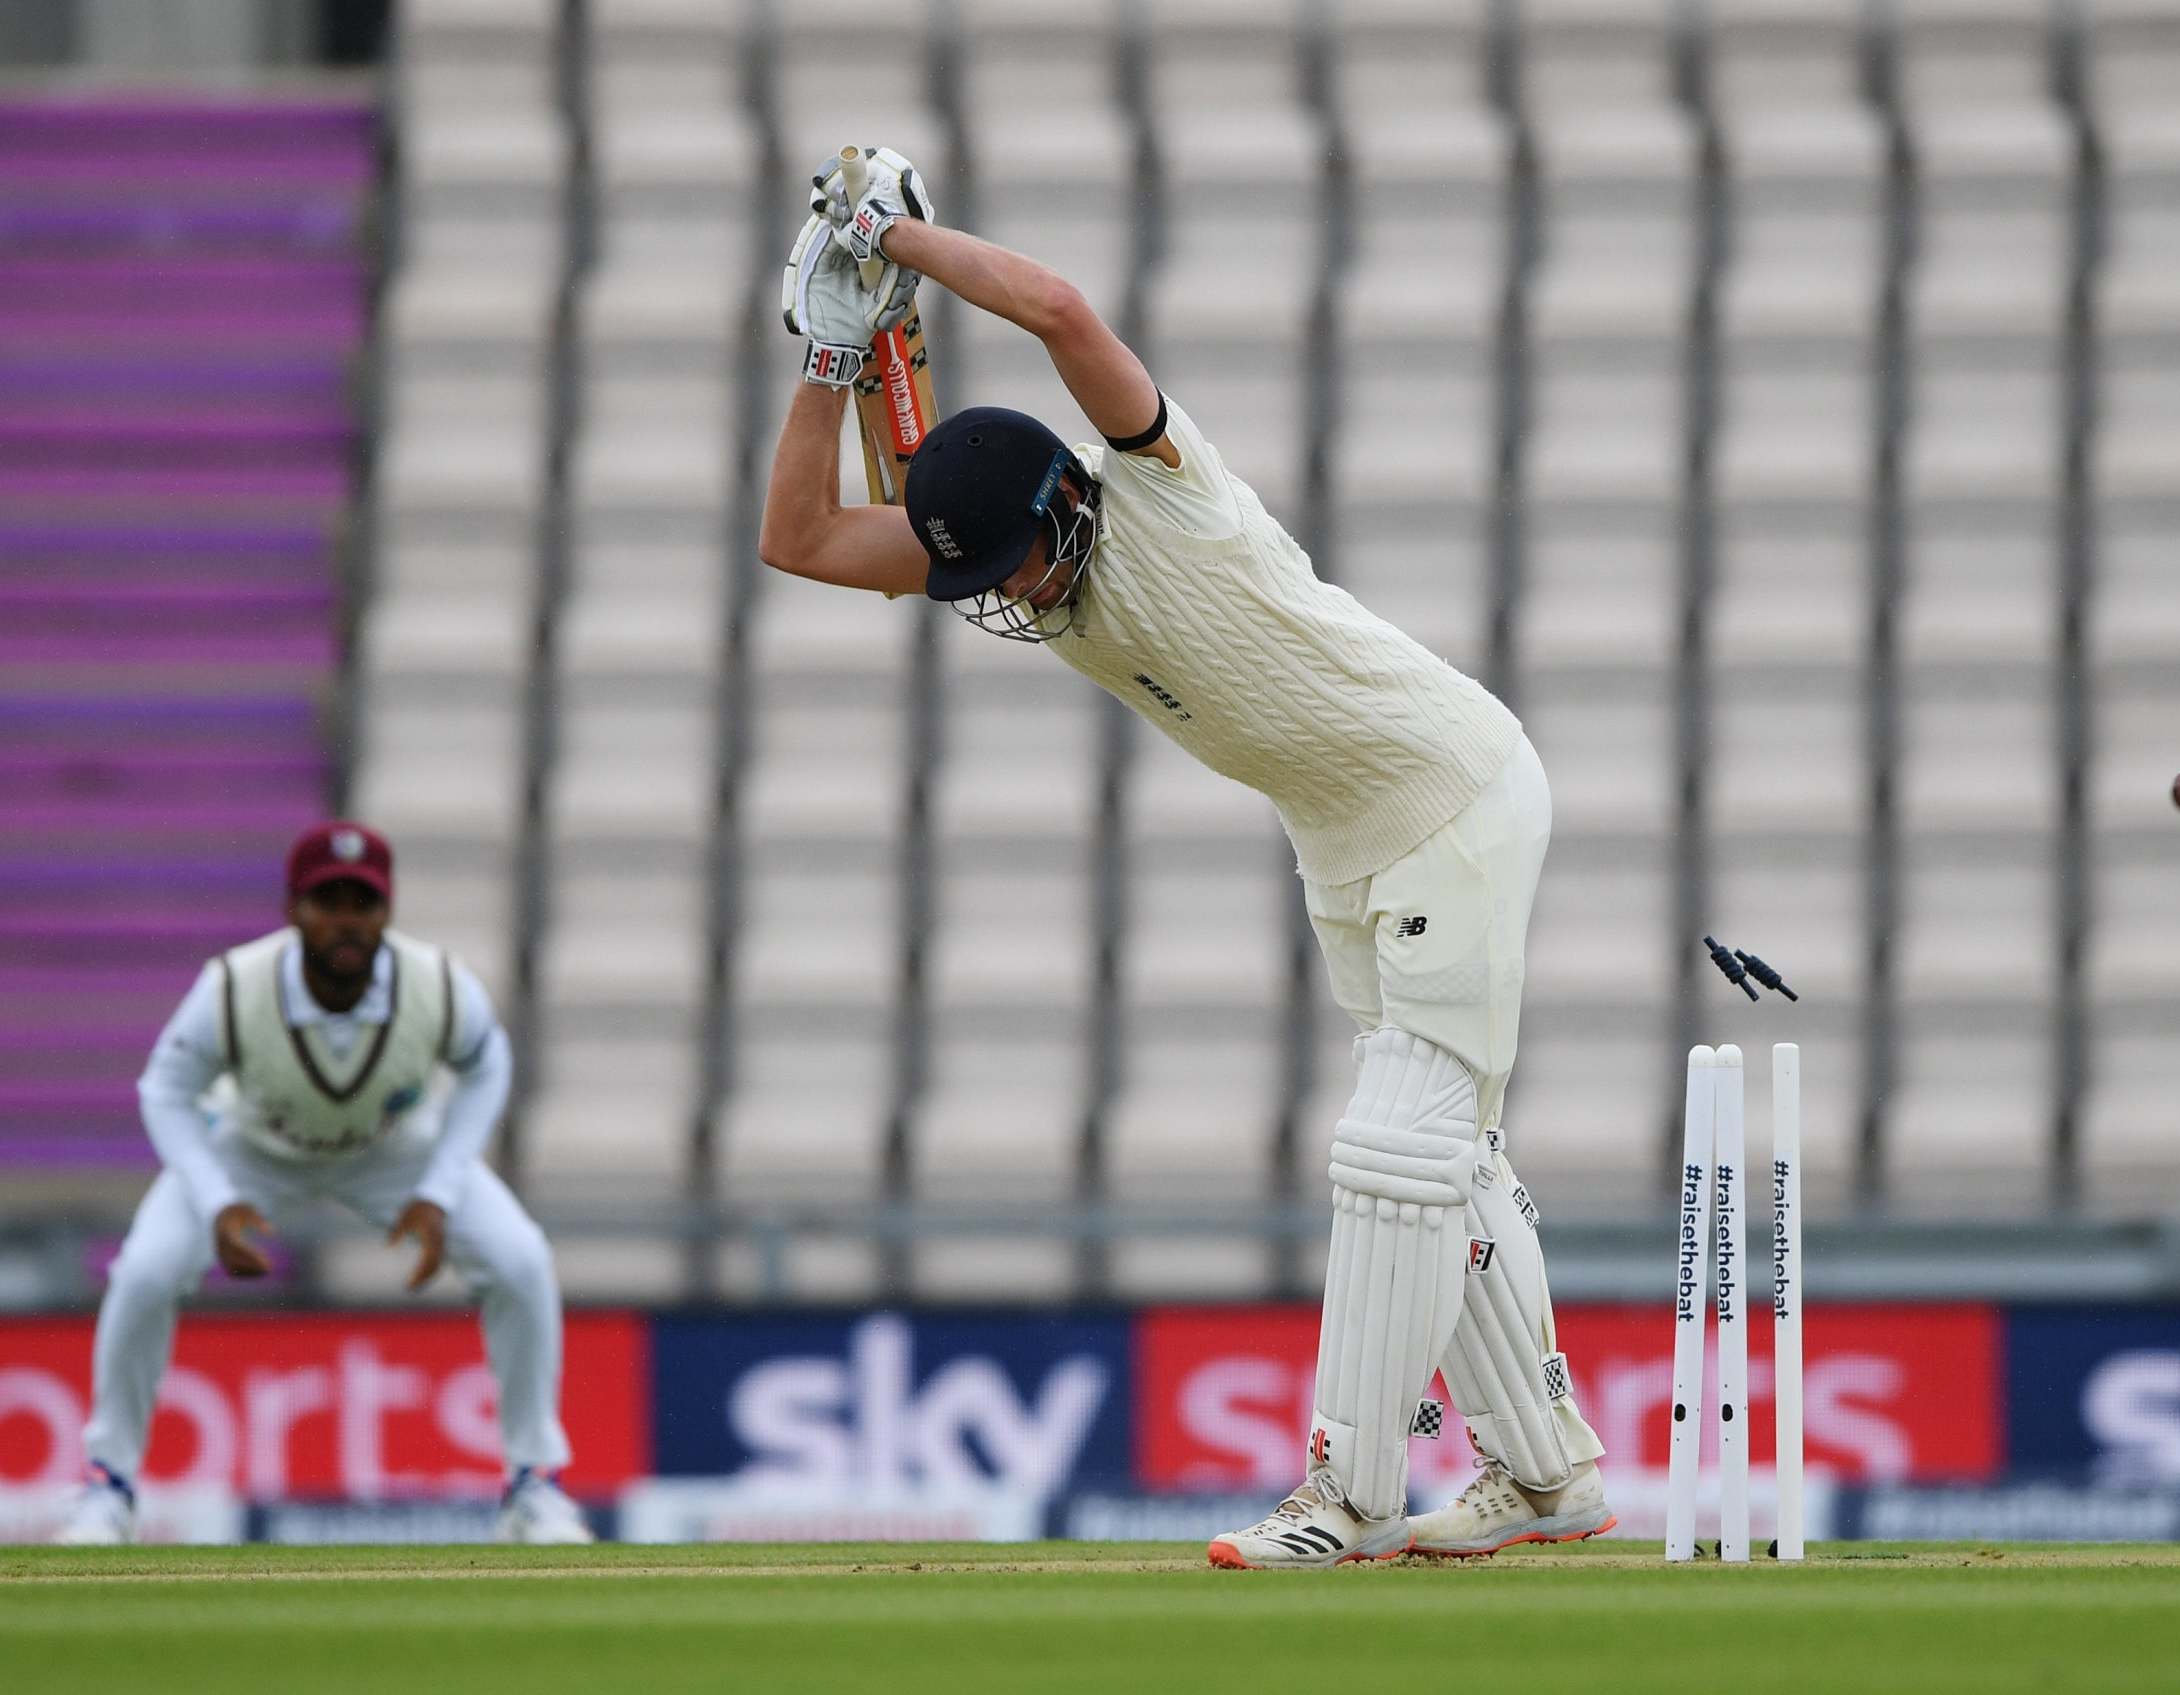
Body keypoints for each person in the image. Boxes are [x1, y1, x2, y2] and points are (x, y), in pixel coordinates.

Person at [762, 151, 1615, 1567]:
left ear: (1064, 497)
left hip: (1450, 790)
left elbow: (1055, 307)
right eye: (982, 577)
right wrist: (829, 358)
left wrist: (895, 236)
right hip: (1343, 840)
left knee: (1391, 1150)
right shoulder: (1013, 558)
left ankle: (1348, 1497)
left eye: (1015, 559)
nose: (1011, 593)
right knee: (1442, 1164)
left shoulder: (1161, 484)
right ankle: (1543, 1475)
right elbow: (798, 538)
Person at [52, 822, 592, 1546]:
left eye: (361, 903)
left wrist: (438, 1188)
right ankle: (107, 1486)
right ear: (292, 909)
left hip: (392, 1148)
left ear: (387, 910)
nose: (345, 921)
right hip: (252, 1147)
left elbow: (487, 1064)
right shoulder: (234, 985)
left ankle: (535, 1482)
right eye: (326, 902)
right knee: (146, 1272)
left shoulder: (436, 983)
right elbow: (165, 1090)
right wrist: (217, 1199)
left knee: (520, 1259)